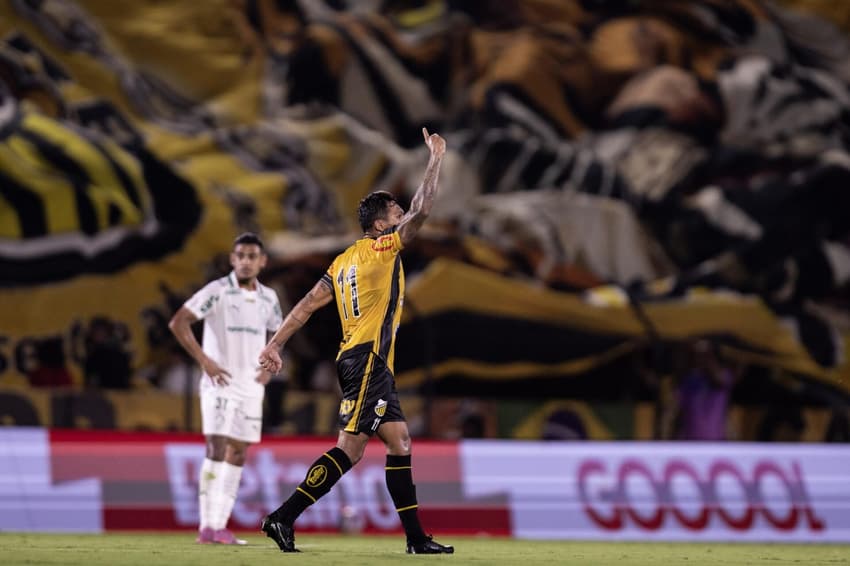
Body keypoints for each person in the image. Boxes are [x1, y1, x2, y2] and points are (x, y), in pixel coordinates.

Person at [257, 128, 453, 554]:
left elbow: (308, 304)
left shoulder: (344, 260)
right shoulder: (382, 249)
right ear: (381, 226)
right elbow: (422, 211)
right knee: (349, 449)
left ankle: (417, 540)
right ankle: (282, 517)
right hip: (366, 360)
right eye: (395, 211)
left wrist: (276, 343)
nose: (402, 214)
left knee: (400, 441)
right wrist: (435, 159)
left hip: (366, 361)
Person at [169, 232, 282, 545]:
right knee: (216, 447)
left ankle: (220, 525)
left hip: (251, 386)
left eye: (251, 256)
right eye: (240, 256)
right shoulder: (217, 291)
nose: (246, 262)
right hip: (219, 383)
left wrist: (270, 369)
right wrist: (204, 360)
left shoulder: (269, 299)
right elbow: (179, 322)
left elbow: (278, 333)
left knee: (240, 451)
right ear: (233, 260)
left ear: (262, 262)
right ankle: (206, 525)